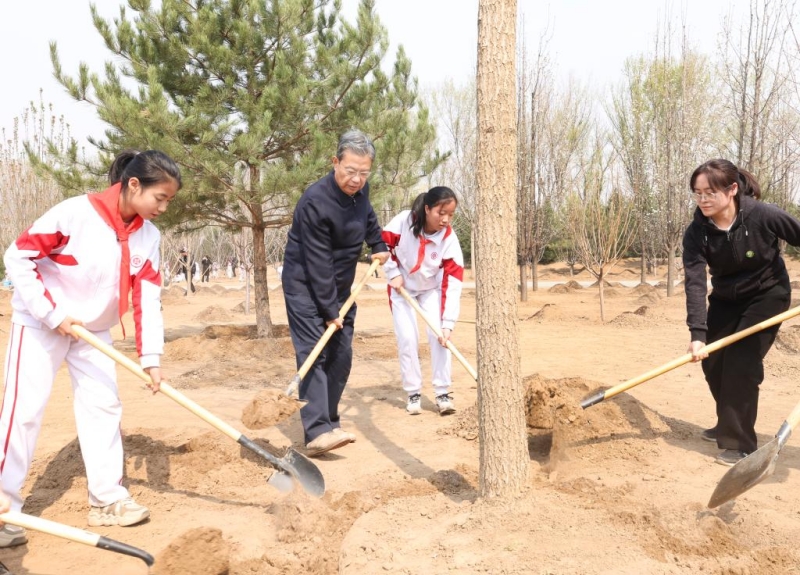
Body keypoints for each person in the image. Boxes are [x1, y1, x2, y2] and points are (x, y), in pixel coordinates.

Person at [0, 149, 181, 540]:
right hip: (41, 322)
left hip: (93, 332)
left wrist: (151, 357)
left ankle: (108, 500)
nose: (164, 207)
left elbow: (147, 297)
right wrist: (52, 315)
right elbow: (19, 256)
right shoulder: (75, 214)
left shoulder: (149, 236)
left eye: (169, 200)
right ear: (134, 185)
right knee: (24, 412)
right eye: (160, 198)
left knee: (103, 408)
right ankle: (4, 509)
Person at [683, 158, 800, 466]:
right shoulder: (698, 233)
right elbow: (695, 283)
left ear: (732, 189)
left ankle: (740, 444)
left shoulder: (762, 215)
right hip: (725, 299)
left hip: (768, 295)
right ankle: (729, 421)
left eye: (710, 192)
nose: (703, 199)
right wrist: (698, 335)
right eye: (697, 193)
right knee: (714, 363)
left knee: (741, 363)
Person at [282, 129, 389, 457]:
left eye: (364, 173)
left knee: (341, 356)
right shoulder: (316, 200)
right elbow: (317, 261)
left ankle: (329, 421)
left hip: (341, 286)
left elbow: (368, 217)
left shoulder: (361, 190)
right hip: (305, 284)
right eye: (350, 171)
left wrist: (379, 243)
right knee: (315, 351)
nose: (357, 179)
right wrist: (330, 310)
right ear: (335, 163)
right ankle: (315, 431)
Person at [382, 187, 464, 416]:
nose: (445, 219)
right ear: (427, 209)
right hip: (401, 288)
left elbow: (453, 281)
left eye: (450, 214)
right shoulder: (403, 221)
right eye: (441, 212)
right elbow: (381, 245)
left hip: (431, 290)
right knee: (408, 337)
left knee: (439, 337)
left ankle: (442, 392)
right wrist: (392, 272)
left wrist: (447, 323)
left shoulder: (449, 239)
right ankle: (413, 392)